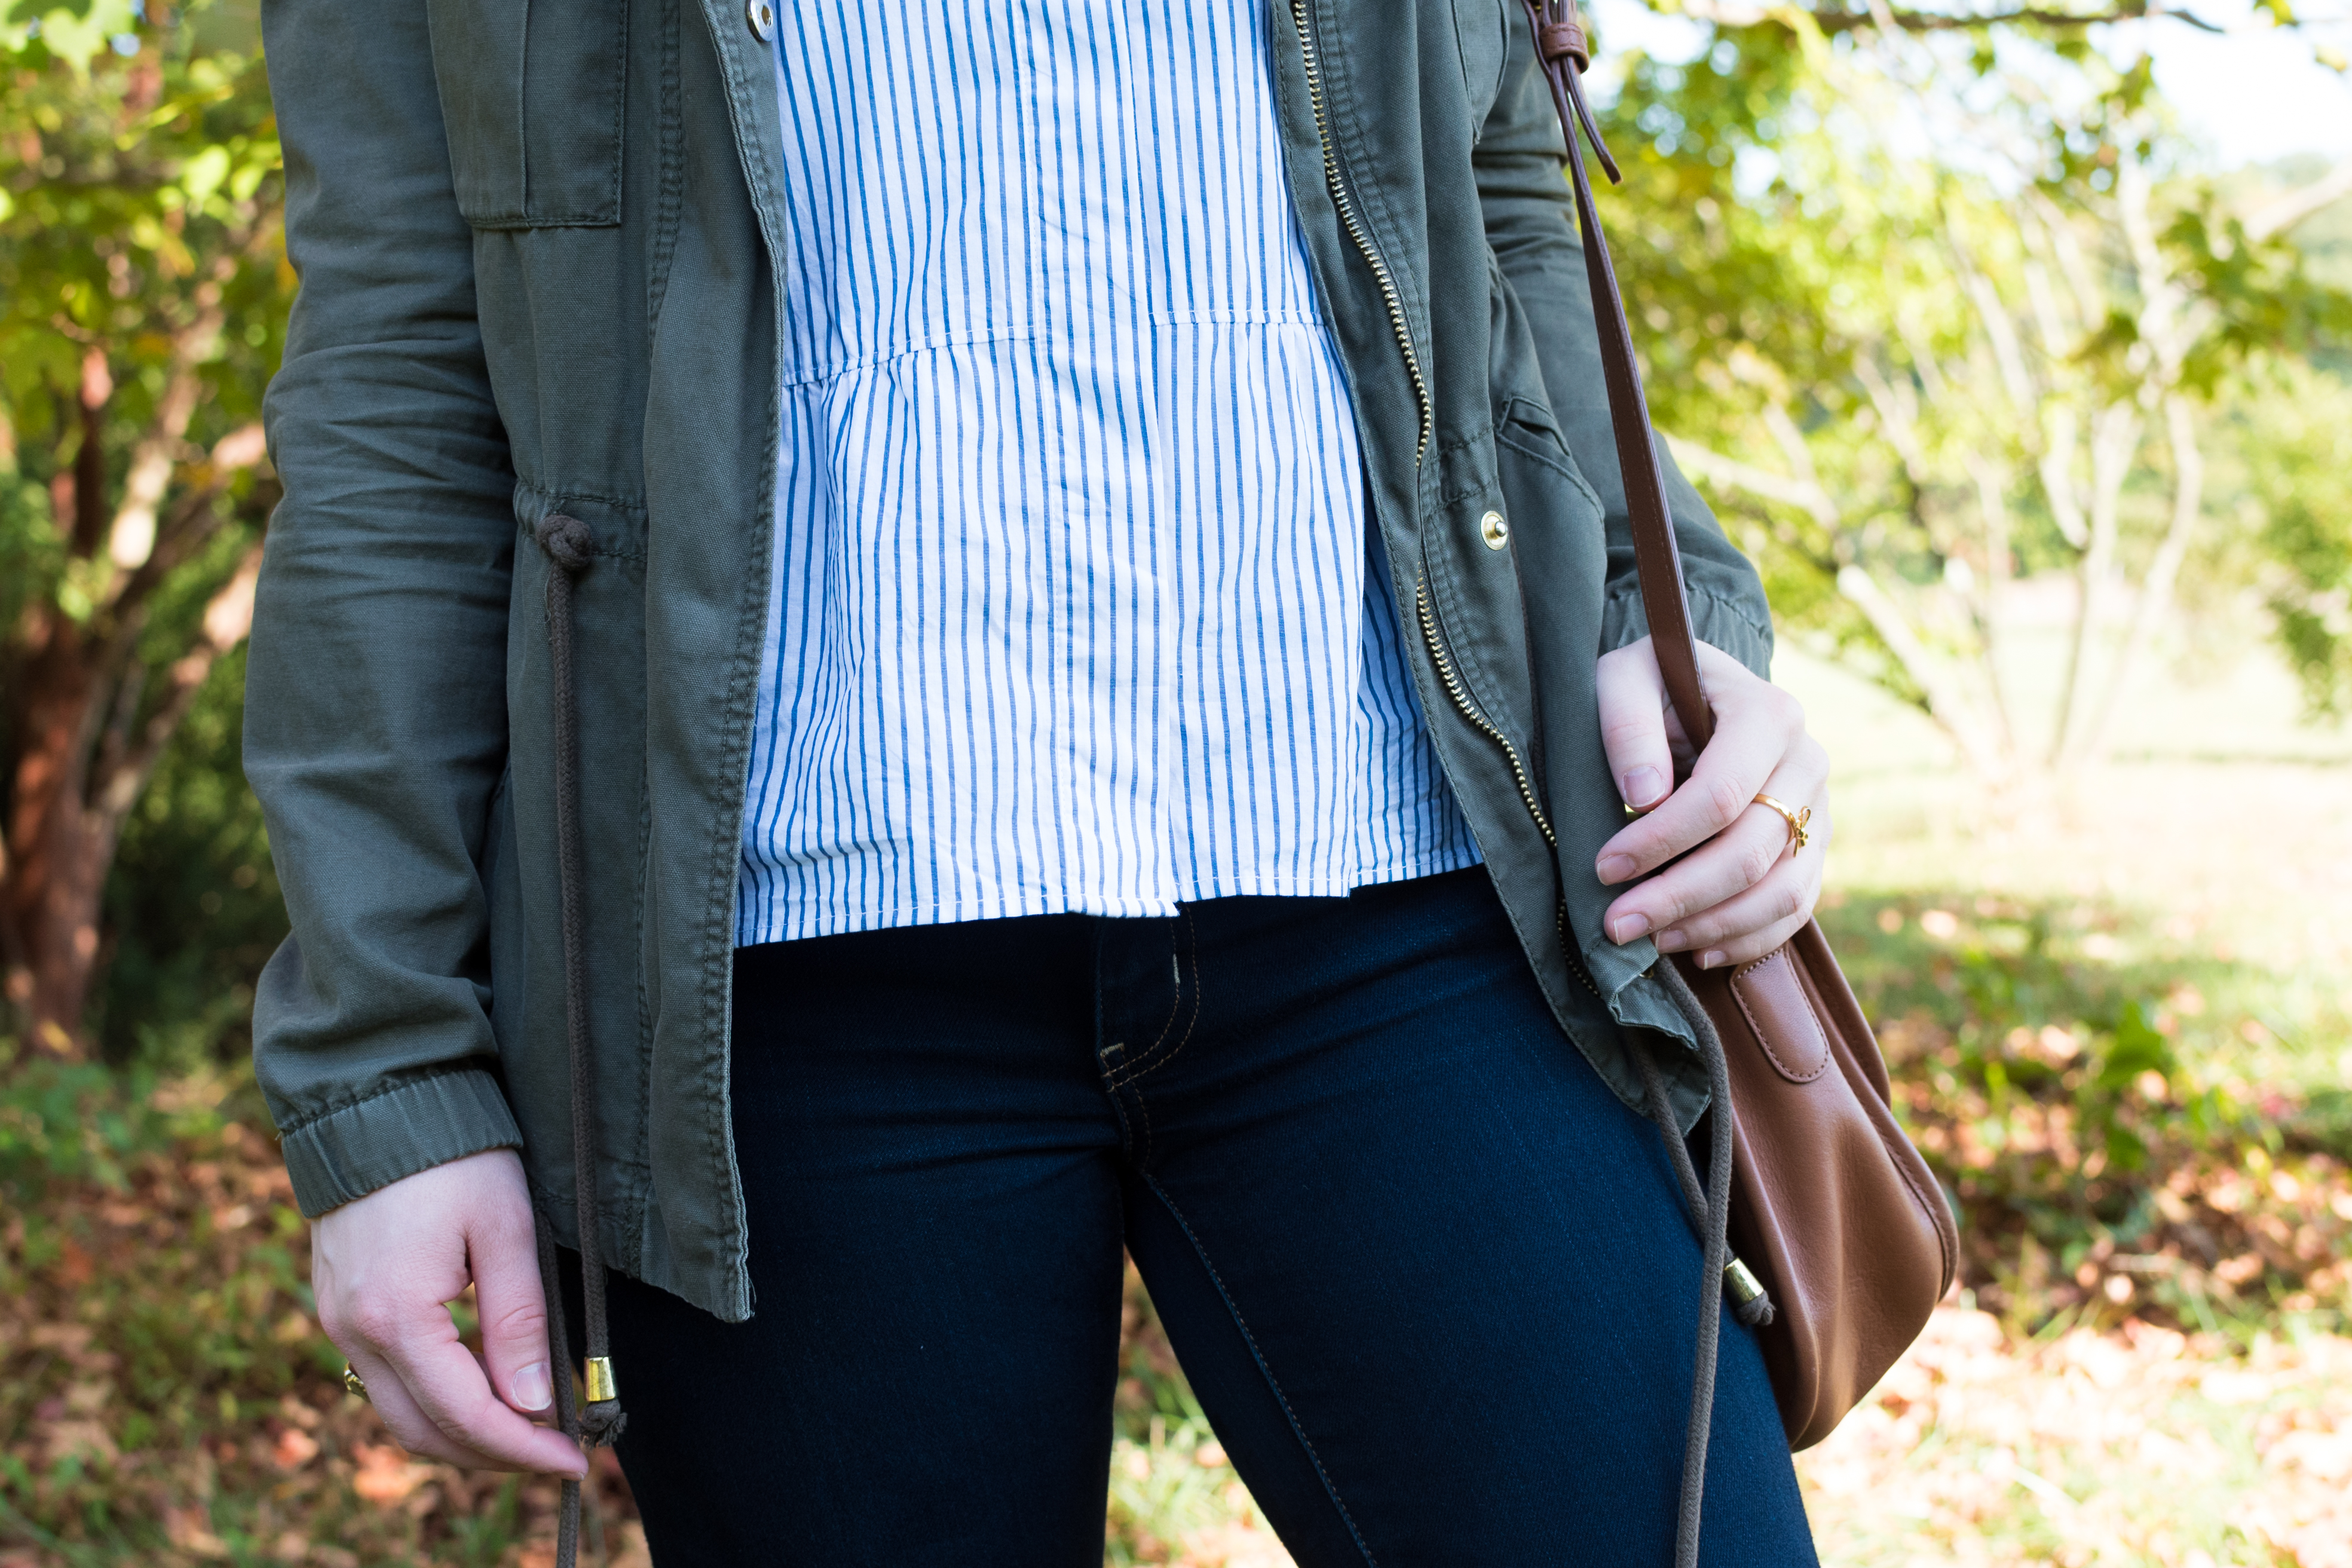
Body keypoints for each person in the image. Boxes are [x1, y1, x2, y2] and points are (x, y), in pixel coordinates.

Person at [247, 0, 1831, 1561]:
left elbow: (1494, 199)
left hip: (1418, 883)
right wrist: (388, 1063)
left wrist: (1658, 604)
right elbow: (400, 374)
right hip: (780, 995)